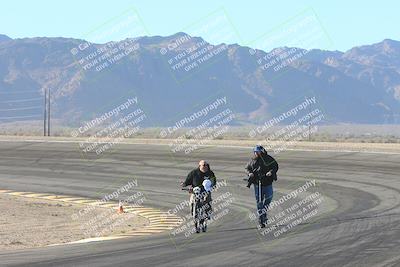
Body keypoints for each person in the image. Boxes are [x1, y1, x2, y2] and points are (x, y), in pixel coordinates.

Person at [245, 145, 278, 228]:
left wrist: (271, 172)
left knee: (268, 199)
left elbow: (275, 166)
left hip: (267, 183)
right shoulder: (253, 160)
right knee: (259, 202)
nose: (256, 153)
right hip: (257, 184)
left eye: (258, 152)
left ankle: (264, 213)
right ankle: (261, 219)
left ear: (262, 151)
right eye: (255, 152)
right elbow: (247, 168)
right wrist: (250, 173)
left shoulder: (268, 159)